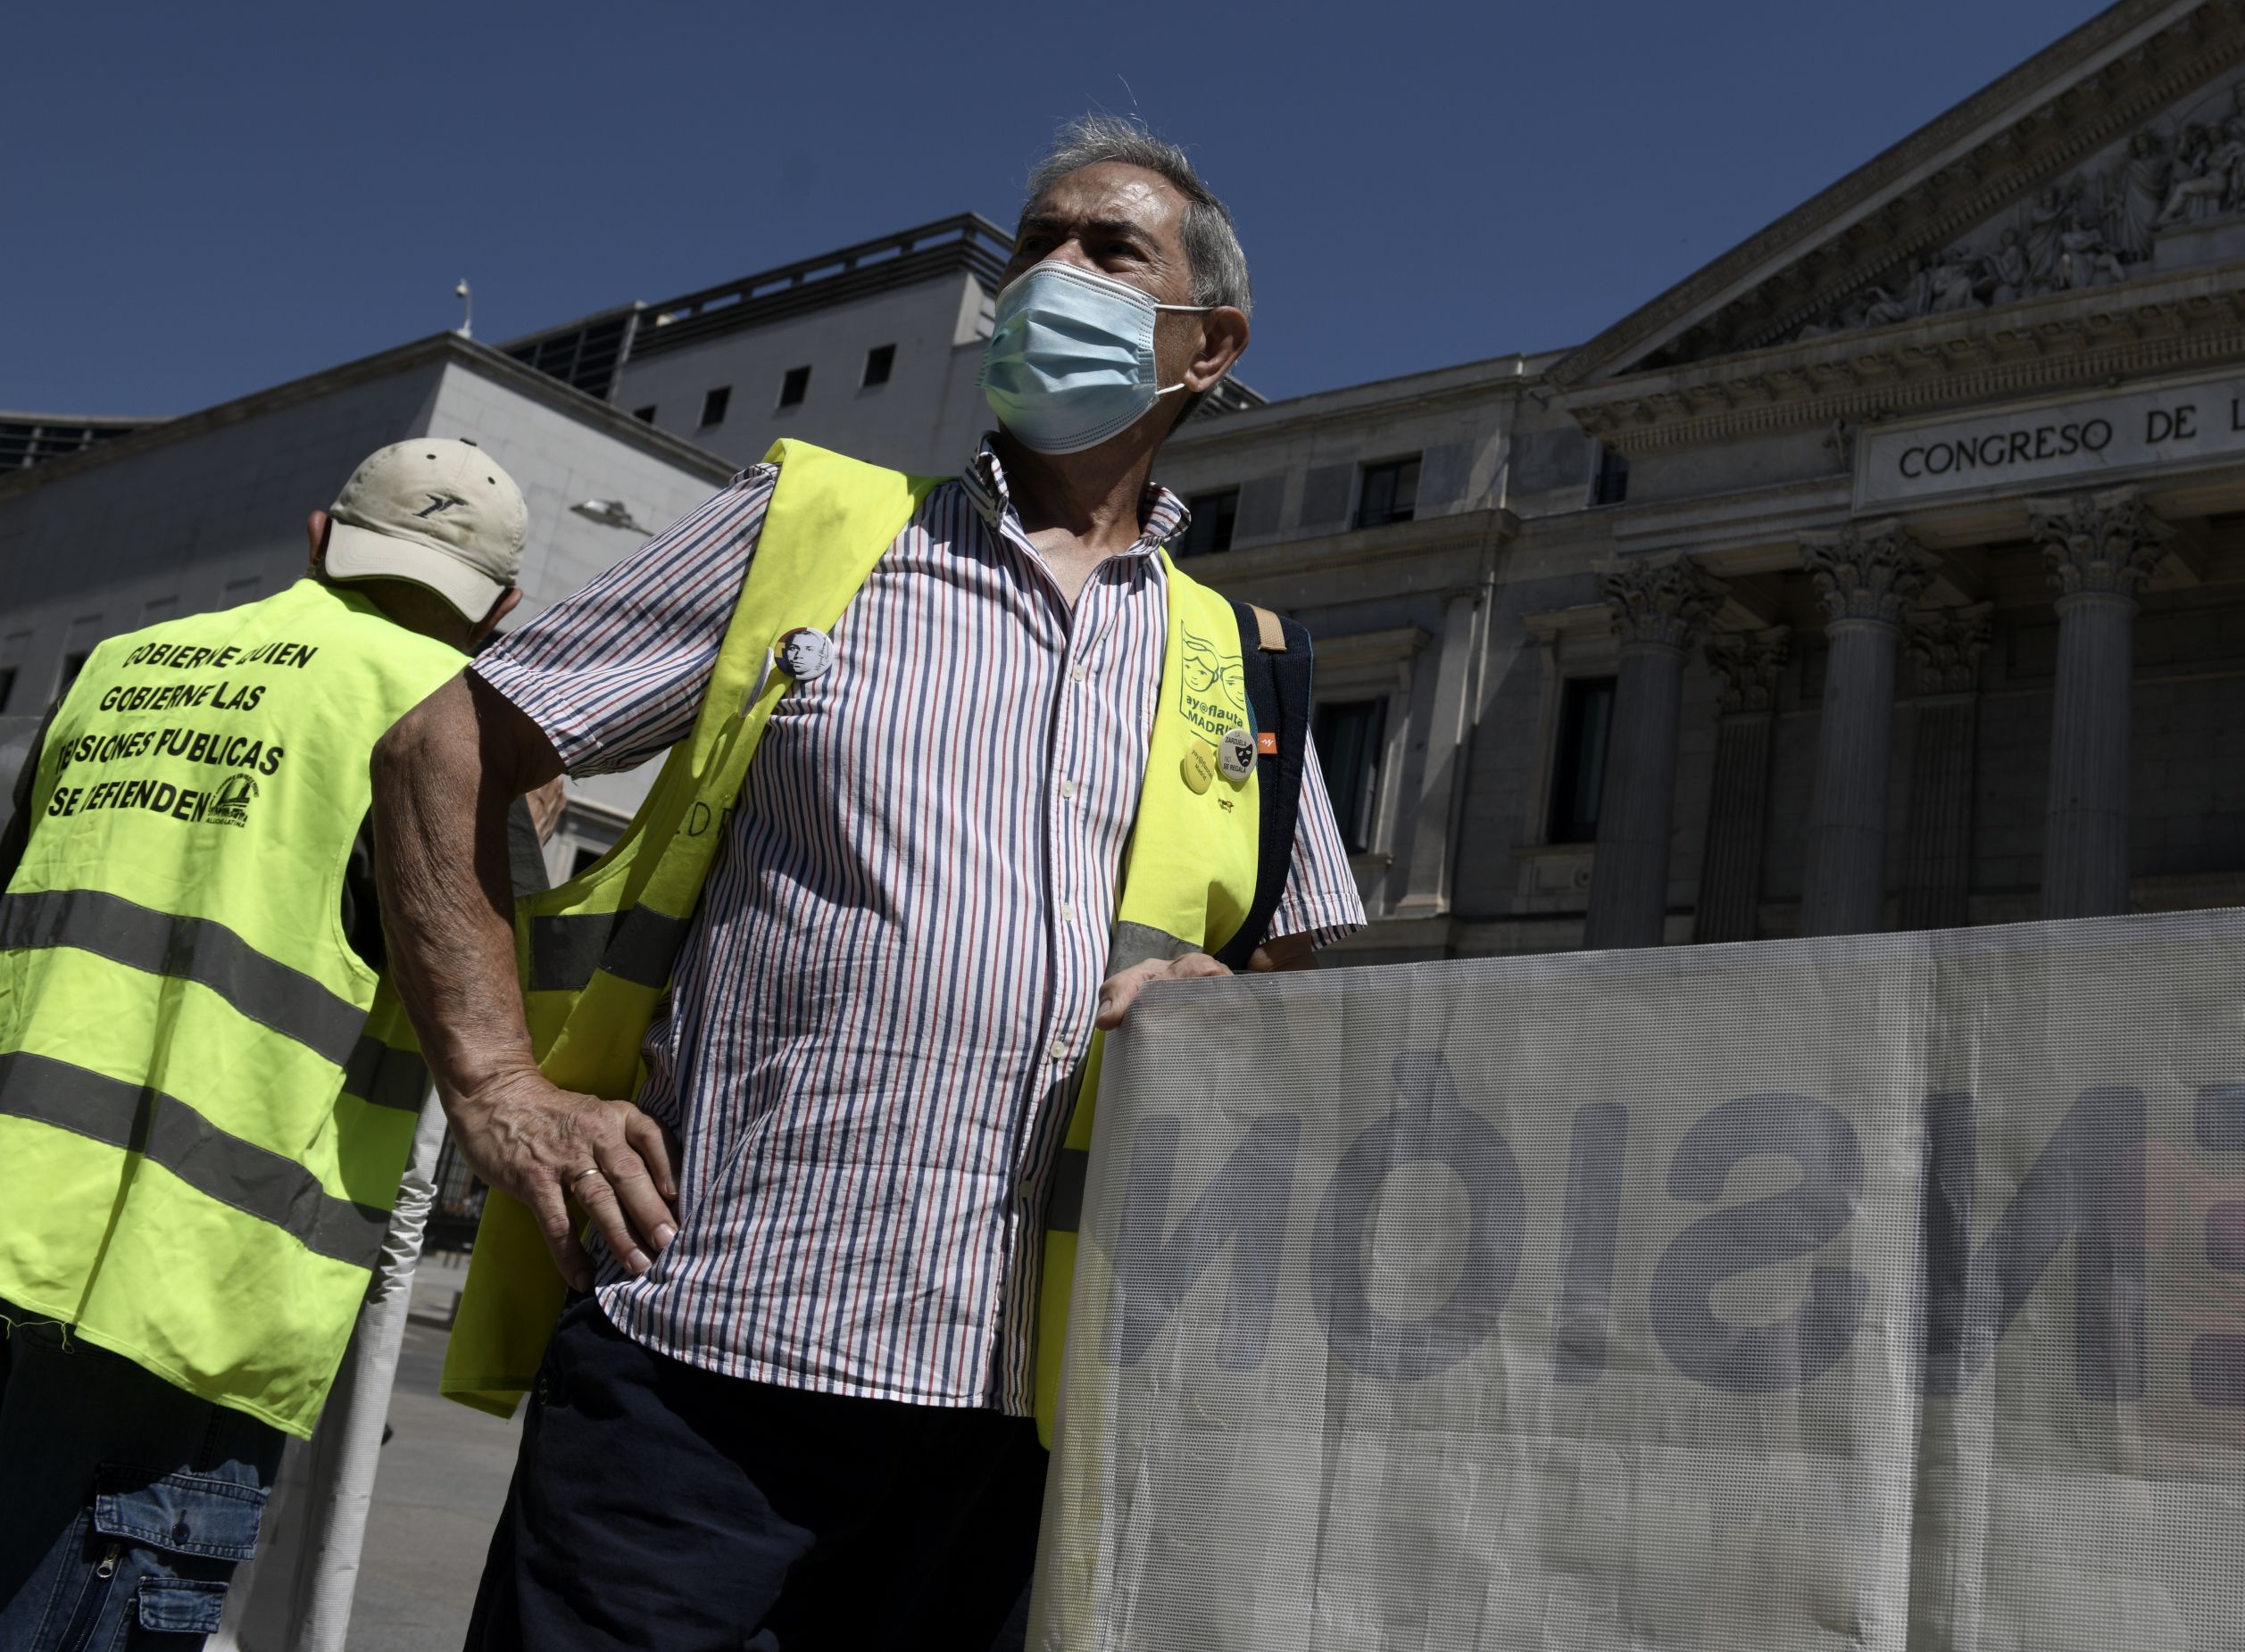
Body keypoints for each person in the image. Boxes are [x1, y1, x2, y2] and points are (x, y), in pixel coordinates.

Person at [370, 118, 1365, 1650]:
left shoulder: (1252, 664)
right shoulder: (815, 526)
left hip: (1021, 1417)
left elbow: (1318, 1013)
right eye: (1035, 244)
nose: (1048, 275)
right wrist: (498, 1084)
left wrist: (1233, 1010)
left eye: (1107, 250)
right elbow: (446, 747)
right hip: (707, 1365)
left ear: (1206, 344)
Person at [0, 439, 528, 1652]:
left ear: (316, 537)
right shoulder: (443, 717)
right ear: (498, 608)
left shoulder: (119, 669)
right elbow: (502, 1008)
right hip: (192, 1273)